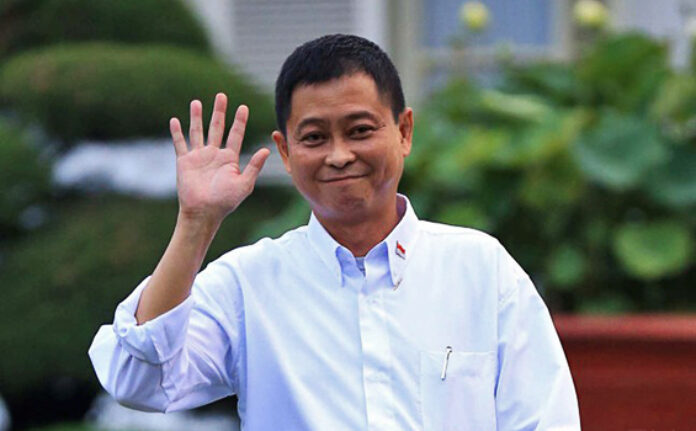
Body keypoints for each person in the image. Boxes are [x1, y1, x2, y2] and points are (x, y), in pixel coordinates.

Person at [89, 34, 581, 430]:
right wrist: (196, 223)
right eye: (315, 137)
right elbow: (138, 379)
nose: (339, 155)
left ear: (404, 131)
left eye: (360, 130)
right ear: (285, 152)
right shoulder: (248, 284)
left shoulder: (480, 269)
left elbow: (544, 419)